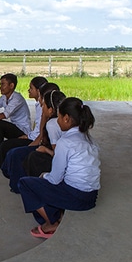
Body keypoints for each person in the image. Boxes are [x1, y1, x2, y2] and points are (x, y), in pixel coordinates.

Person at [18, 97, 100, 239]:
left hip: (76, 197)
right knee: (50, 179)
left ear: (67, 118)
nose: (57, 121)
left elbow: (55, 179)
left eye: (59, 117)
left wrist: (43, 176)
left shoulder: (65, 142)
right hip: (91, 198)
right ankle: (56, 213)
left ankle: (51, 223)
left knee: (25, 184)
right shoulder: (88, 138)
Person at [2, 86, 64, 193]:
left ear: (51, 110)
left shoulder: (53, 125)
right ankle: (17, 183)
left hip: (49, 153)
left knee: (20, 155)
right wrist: (45, 116)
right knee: (14, 152)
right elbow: (41, 136)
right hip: (43, 146)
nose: (40, 104)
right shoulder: (49, 119)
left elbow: (57, 154)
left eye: (43, 104)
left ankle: (19, 186)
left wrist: (44, 149)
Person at [0, 76, 48, 169]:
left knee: (7, 146)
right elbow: (38, 129)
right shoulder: (38, 105)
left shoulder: (43, 108)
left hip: (34, 139)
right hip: (31, 136)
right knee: (4, 140)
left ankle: (1, 165)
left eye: (31, 88)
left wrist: (29, 138)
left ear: (38, 91)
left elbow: (40, 132)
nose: (28, 90)